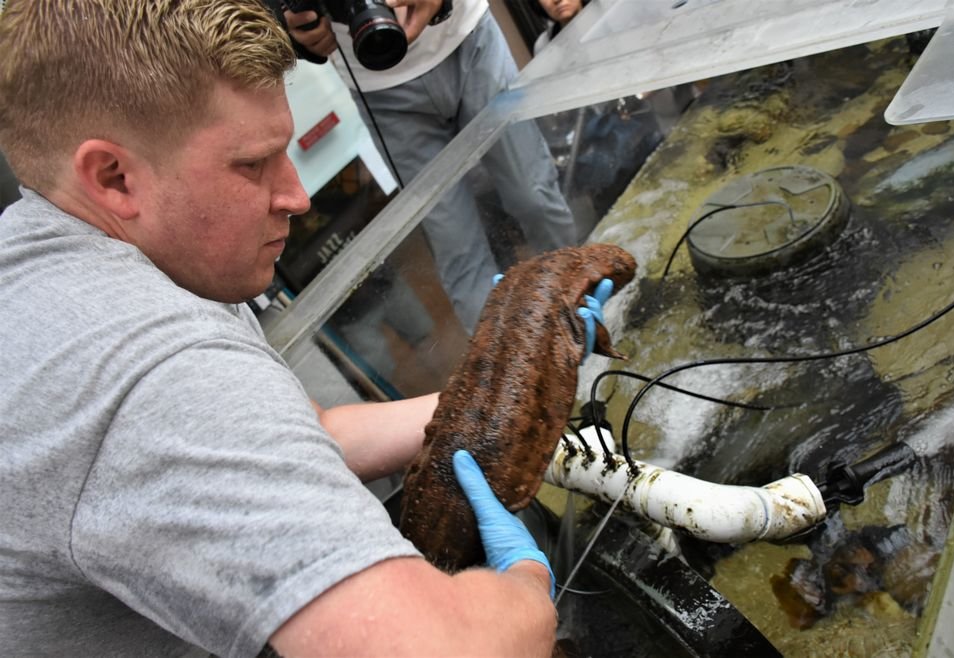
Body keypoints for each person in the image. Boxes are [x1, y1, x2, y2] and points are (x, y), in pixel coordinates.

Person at [0, 1, 613, 655]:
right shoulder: (148, 381)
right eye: (254, 164)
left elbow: (312, 431)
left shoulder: (82, 249)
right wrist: (525, 579)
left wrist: (506, 389)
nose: (297, 195)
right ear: (115, 177)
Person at [271, 0, 579, 334]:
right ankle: (504, 369)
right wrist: (290, 29)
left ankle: (581, 309)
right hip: (379, 89)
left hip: (470, 37)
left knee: (534, 196)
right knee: (457, 246)